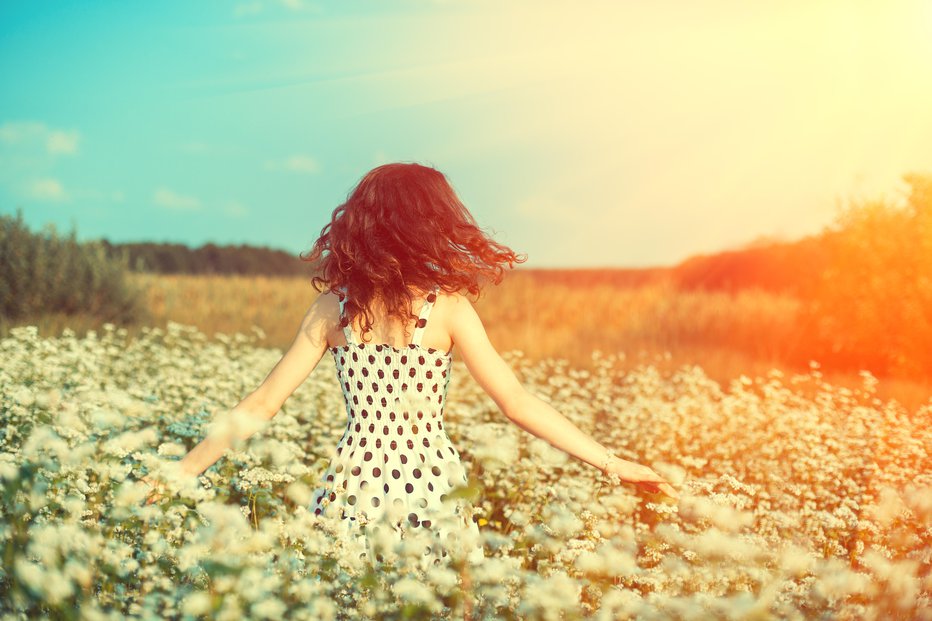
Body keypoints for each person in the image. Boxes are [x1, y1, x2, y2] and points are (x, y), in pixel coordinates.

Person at [141, 162, 678, 615]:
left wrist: (179, 473)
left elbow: (261, 404)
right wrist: (612, 462)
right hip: (430, 487)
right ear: (431, 225)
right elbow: (516, 402)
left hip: (355, 484)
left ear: (362, 226)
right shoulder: (447, 309)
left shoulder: (335, 309)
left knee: (351, 600)